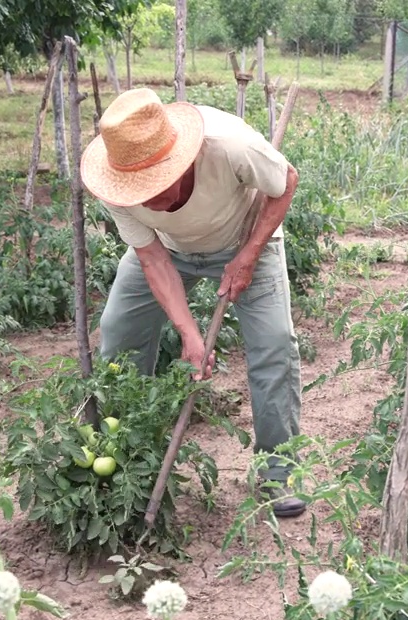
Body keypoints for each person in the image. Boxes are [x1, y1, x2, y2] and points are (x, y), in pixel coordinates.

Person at [80, 87, 306, 518]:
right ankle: (126, 454)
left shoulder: (230, 146)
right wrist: (190, 335)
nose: (148, 201)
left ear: (183, 161)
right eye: (137, 189)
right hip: (167, 252)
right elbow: (153, 260)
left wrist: (249, 254)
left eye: (155, 186)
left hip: (244, 237)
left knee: (274, 345)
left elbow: (286, 181)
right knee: (117, 333)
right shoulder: (115, 186)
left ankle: (277, 471)